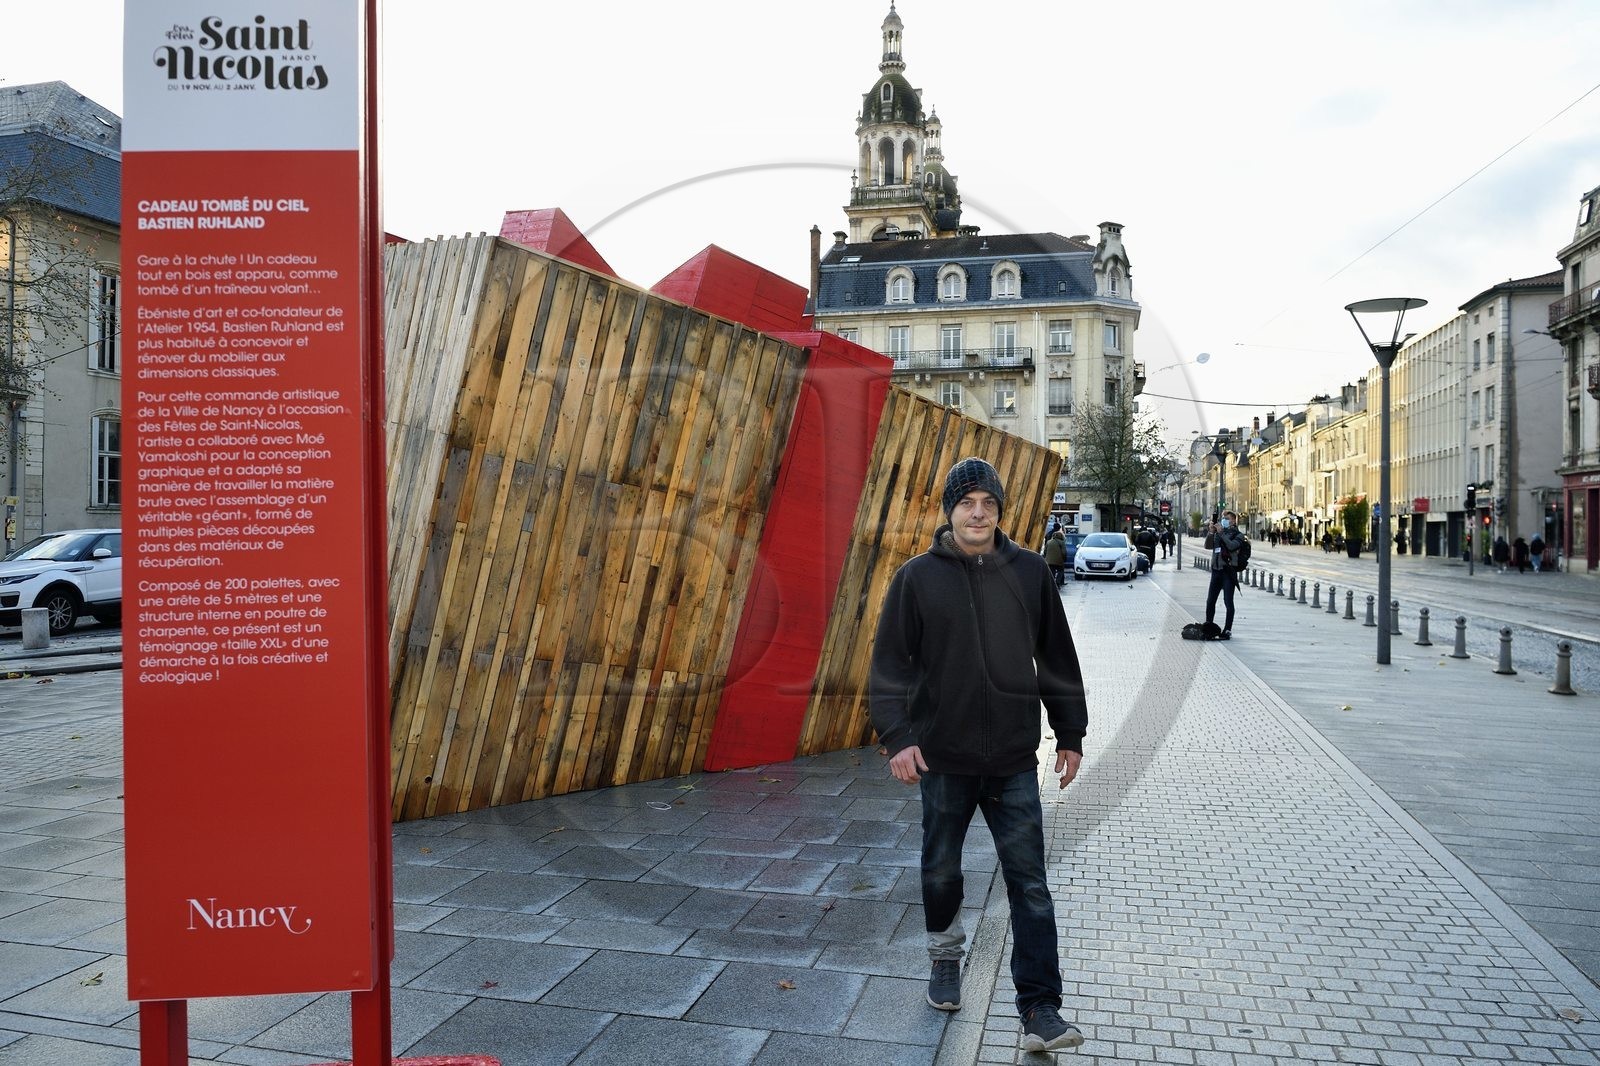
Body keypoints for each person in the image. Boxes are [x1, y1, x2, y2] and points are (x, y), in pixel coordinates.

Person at [870, 457, 1088, 1054]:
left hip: (1015, 759)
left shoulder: (1030, 574)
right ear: (951, 510)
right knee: (942, 870)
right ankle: (946, 959)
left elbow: (1058, 658)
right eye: (967, 502)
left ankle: (1040, 1008)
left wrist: (1069, 735)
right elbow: (889, 665)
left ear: (999, 511)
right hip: (943, 757)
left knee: (1031, 886)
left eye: (987, 503)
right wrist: (898, 737)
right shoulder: (916, 578)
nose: (977, 512)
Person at [1204, 510, 1245, 639]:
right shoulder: (1217, 533)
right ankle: (1208, 626)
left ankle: (1227, 629)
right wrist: (1211, 532)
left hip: (1228, 572)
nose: (1224, 520)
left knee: (1228, 601)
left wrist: (1222, 533)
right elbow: (1208, 546)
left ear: (1233, 520)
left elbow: (1232, 546)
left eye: (1226, 518)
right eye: (1222, 518)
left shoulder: (1238, 535)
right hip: (1216, 571)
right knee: (1210, 601)